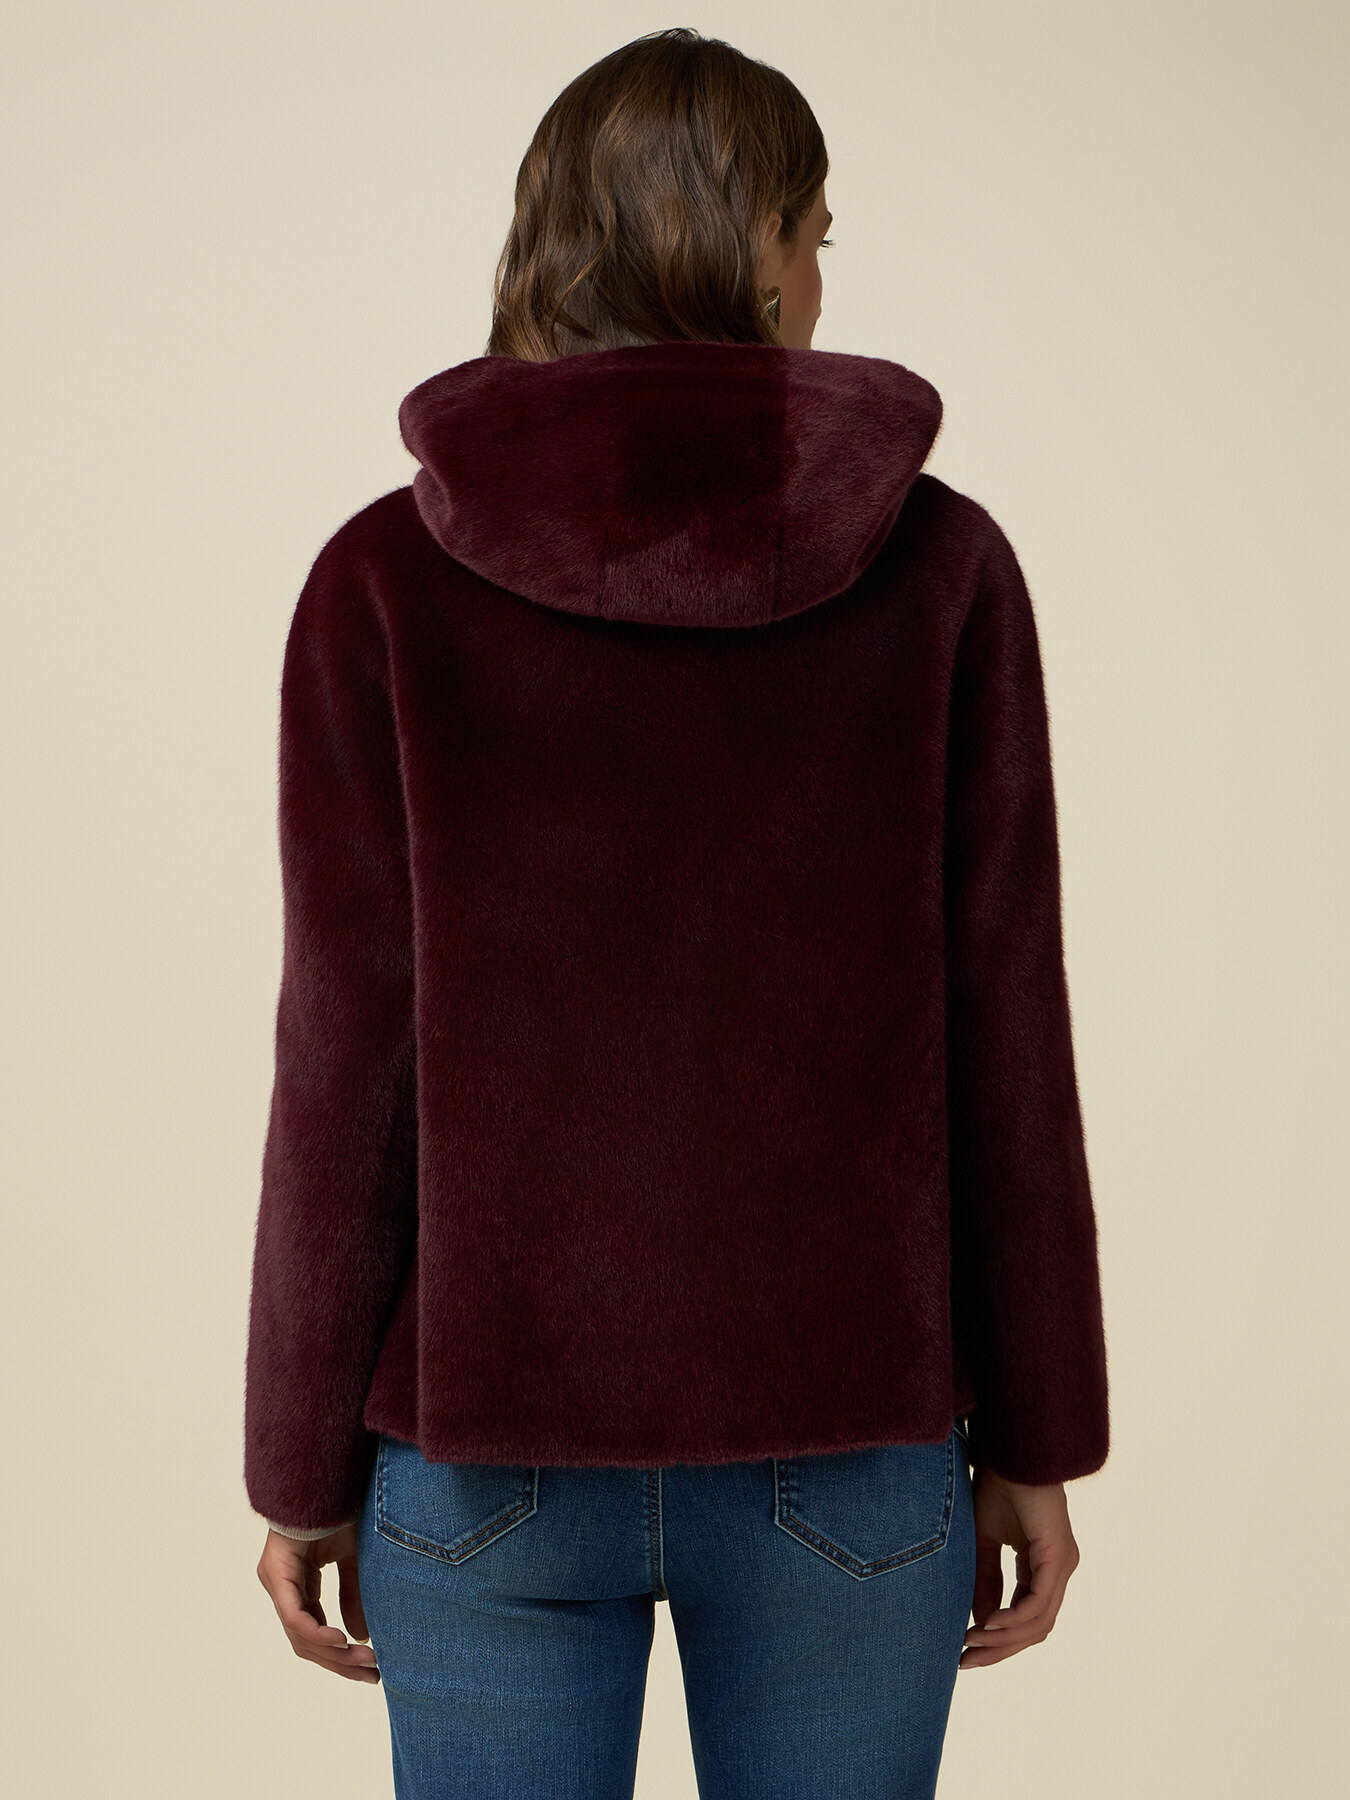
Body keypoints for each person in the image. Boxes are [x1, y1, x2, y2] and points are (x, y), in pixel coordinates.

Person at [244, 26, 1109, 1800]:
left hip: (484, 1456)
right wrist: (1038, 1431)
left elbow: (347, 1053)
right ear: (756, 247)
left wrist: (297, 1462)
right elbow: (1002, 1025)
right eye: (817, 233)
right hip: (849, 1449)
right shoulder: (941, 569)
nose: (819, 277)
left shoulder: (380, 581)